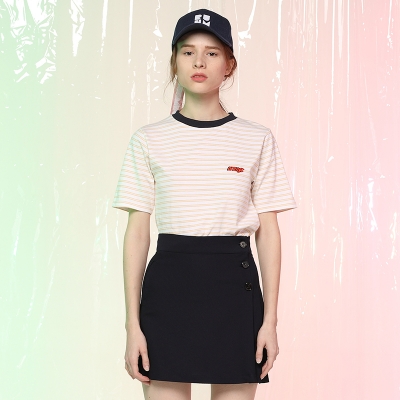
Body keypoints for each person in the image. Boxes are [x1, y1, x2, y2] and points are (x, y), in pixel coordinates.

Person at [112, 8, 297, 400]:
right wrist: (132, 326)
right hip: (168, 294)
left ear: (229, 65)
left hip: (235, 294)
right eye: (188, 52)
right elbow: (137, 234)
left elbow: (269, 233)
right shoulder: (148, 140)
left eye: (212, 53)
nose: (199, 62)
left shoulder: (257, 138)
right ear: (174, 62)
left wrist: (270, 322)